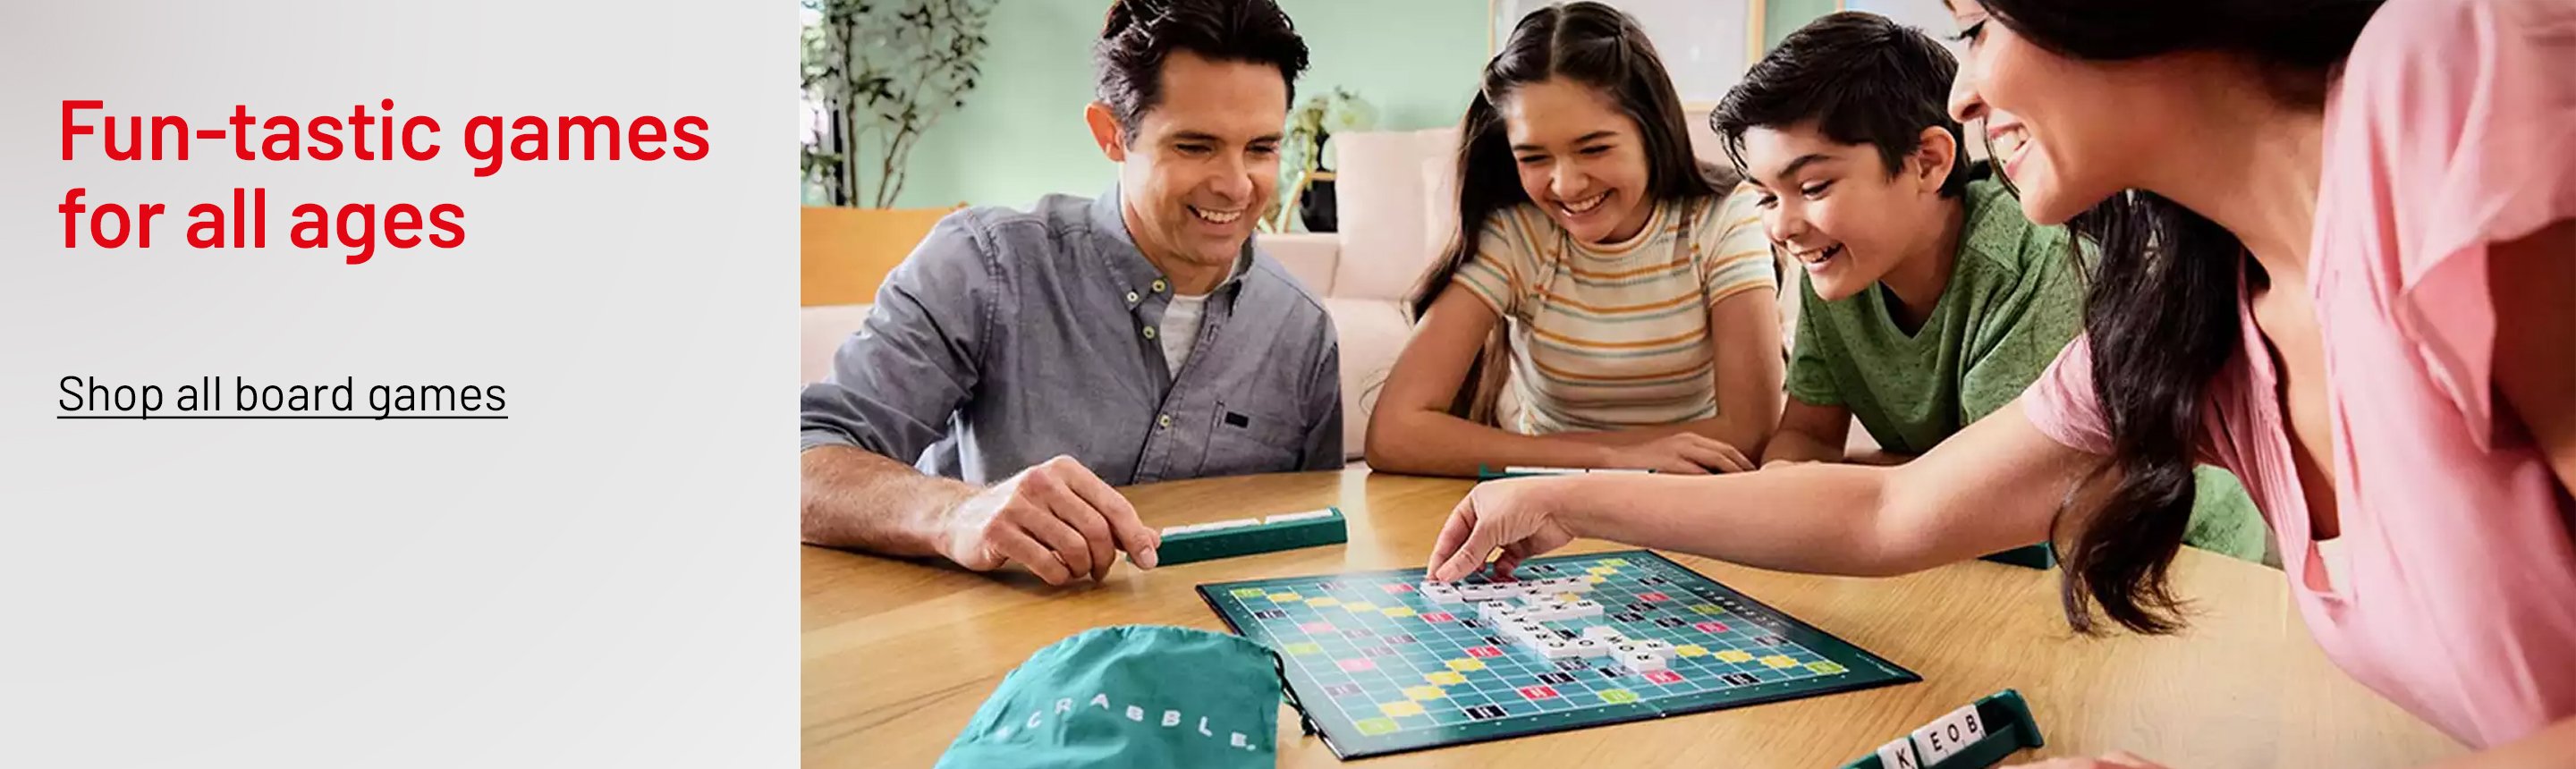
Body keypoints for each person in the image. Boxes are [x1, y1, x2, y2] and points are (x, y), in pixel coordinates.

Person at [1424, 0, 2576, 763]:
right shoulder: (2189, 325)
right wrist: (1562, 495)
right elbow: (1889, 507)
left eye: (1976, 27)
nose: (1964, 97)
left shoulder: (2444, 84)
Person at [799, 0, 1344, 586]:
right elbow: (804, 463)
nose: (1237, 184)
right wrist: (957, 512)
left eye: (1261, 148)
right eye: (1195, 146)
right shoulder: (984, 263)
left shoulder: (1301, 330)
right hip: (989, 654)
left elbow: (1315, 540)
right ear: (1111, 134)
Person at [1710, 12, 2269, 565]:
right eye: (1765, 197)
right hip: (1967, 544)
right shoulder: (1839, 264)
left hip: (2168, 556)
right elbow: (1806, 437)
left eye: (1813, 186)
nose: (1782, 227)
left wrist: (1839, 481)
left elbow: (2000, 504)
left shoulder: (2029, 261)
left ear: (1928, 161)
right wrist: (1789, 482)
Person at [1362, 1, 1784, 478]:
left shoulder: (1724, 219)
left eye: (1594, 148)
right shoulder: (1519, 234)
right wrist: (1610, 459)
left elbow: (1751, 430)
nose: (1566, 185)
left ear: (1652, 130)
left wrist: (1613, 460)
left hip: (1695, 494)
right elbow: (1394, 433)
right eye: (1534, 158)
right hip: (1552, 494)